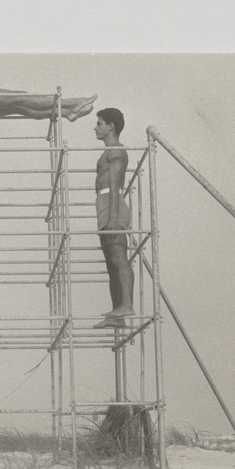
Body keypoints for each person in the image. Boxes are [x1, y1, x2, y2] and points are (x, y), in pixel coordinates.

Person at [92, 108, 135, 329]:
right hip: (105, 204)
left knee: (118, 256)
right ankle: (116, 315)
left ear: (111, 126)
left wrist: (113, 216)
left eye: (99, 123)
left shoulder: (116, 150)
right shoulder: (108, 151)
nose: (95, 128)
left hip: (112, 203)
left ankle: (127, 304)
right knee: (111, 263)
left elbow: (116, 182)